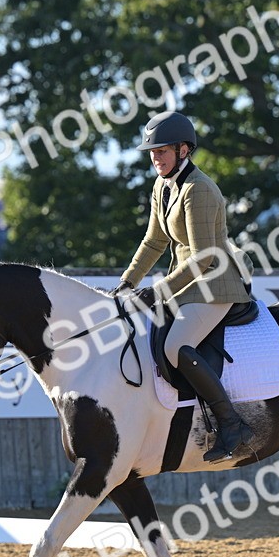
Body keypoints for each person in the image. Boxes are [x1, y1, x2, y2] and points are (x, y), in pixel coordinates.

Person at [115, 111, 254, 462]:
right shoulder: (163, 185)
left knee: (177, 344)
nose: (155, 158)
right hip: (188, 282)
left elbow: (205, 258)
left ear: (183, 150)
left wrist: (158, 290)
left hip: (216, 283)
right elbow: (153, 241)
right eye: (152, 152)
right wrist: (128, 282)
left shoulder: (199, 190)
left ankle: (232, 424)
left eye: (162, 151)